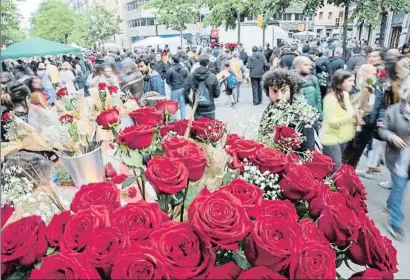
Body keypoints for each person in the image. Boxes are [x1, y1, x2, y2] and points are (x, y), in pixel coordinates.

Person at [378, 75, 410, 241]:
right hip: (400, 159)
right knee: (399, 187)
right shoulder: (395, 111)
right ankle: (395, 223)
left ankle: (391, 204)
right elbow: (382, 130)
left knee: (400, 188)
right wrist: (392, 137)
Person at [257, 70, 318, 151]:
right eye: (274, 91)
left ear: (290, 91)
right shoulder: (270, 109)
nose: (279, 96)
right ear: (268, 92)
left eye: (283, 91)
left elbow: (308, 150)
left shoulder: (302, 115)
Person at [343, 64, 385, 170]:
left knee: (356, 156)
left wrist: (380, 119)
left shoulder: (376, 89)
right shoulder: (351, 87)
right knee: (344, 154)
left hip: (367, 129)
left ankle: (349, 176)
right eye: (374, 74)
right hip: (349, 128)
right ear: (365, 74)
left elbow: (380, 105)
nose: (377, 76)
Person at [320, 70, 358, 172]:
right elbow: (332, 122)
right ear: (341, 81)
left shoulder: (345, 94)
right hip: (331, 139)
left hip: (342, 137)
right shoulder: (330, 98)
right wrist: (351, 115)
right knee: (335, 169)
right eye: (350, 81)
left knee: (332, 168)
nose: (353, 84)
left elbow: (347, 112)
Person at [183, 54, 220, 120]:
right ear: (208, 63)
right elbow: (217, 94)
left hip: (197, 107)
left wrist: (190, 102)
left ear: (198, 62)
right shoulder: (213, 76)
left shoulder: (191, 76)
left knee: (199, 128)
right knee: (211, 129)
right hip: (209, 107)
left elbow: (185, 92)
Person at [166, 55, 189, 119]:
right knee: (182, 105)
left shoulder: (170, 70)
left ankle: (174, 119)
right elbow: (186, 77)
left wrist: (171, 85)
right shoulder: (184, 68)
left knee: (173, 105)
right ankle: (183, 118)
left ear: (173, 61)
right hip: (182, 88)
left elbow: (167, 80)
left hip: (174, 89)